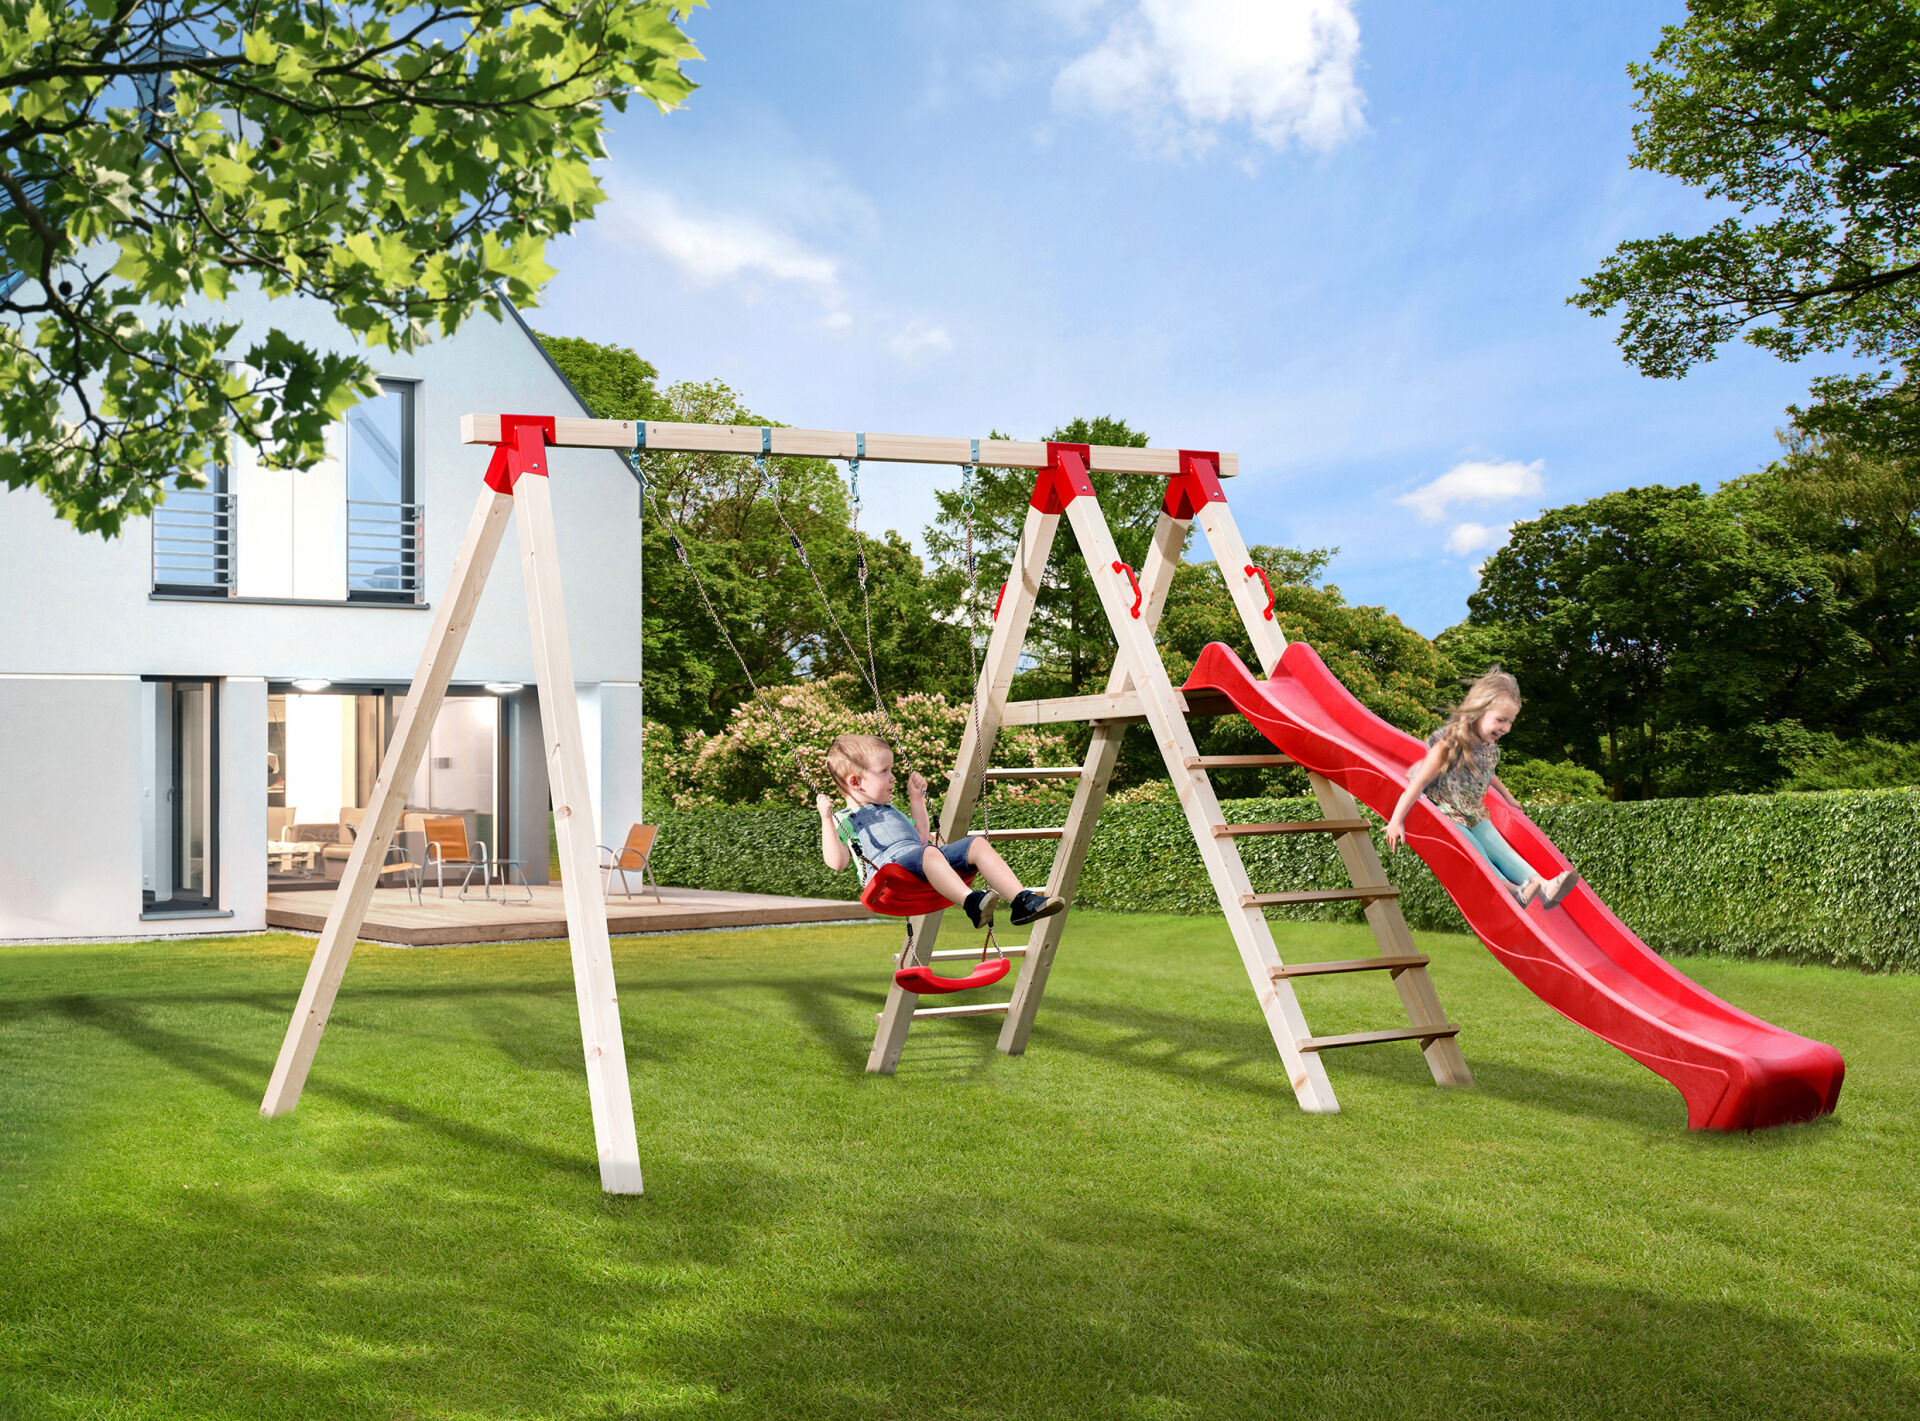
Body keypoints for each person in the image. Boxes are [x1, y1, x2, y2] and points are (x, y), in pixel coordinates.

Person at [817, 733, 1065, 928]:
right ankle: (971, 903)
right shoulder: (844, 819)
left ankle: (1023, 901)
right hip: (889, 877)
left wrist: (916, 800)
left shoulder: (890, 810)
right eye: (884, 771)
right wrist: (826, 819)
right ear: (856, 782)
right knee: (929, 853)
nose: (893, 778)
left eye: (891, 770)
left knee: (975, 844)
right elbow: (837, 862)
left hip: (921, 860)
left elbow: (921, 838)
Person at [1383, 668, 1578, 909]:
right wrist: (1396, 820)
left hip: (1472, 810)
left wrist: (1507, 795)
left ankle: (1545, 886)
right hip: (1444, 811)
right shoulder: (1450, 743)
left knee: (1504, 853)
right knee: (1477, 855)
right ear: (1478, 713)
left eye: (1510, 722)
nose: (1506, 727)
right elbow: (1419, 781)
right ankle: (1513, 891)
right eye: (1500, 720)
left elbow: (1488, 773)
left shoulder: (1488, 747)